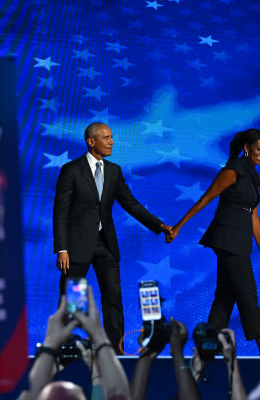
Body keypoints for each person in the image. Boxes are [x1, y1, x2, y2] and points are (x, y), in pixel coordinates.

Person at [53, 122, 172, 352]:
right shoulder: (72, 170)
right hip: (76, 250)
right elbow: (60, 212)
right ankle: (61, 348)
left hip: (105, 246)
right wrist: (62, 248)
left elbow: (131, 204)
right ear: (91, 141)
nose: (112, 142)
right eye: (106, 138)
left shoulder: (114, 171)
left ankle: (116, 351)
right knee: (73, 303)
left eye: (111, 137)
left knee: (113, 300)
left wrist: (159, 225)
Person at [167, 128, 260, 355]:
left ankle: (207, 348)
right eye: (259, 148)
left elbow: (253, 215)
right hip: (228, 238)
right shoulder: (232, 171)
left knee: (225, 296)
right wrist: (178, 226)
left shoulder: (253, 176)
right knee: (247, 294)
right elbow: (205, 199)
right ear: (246, 148)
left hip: (241, 240)